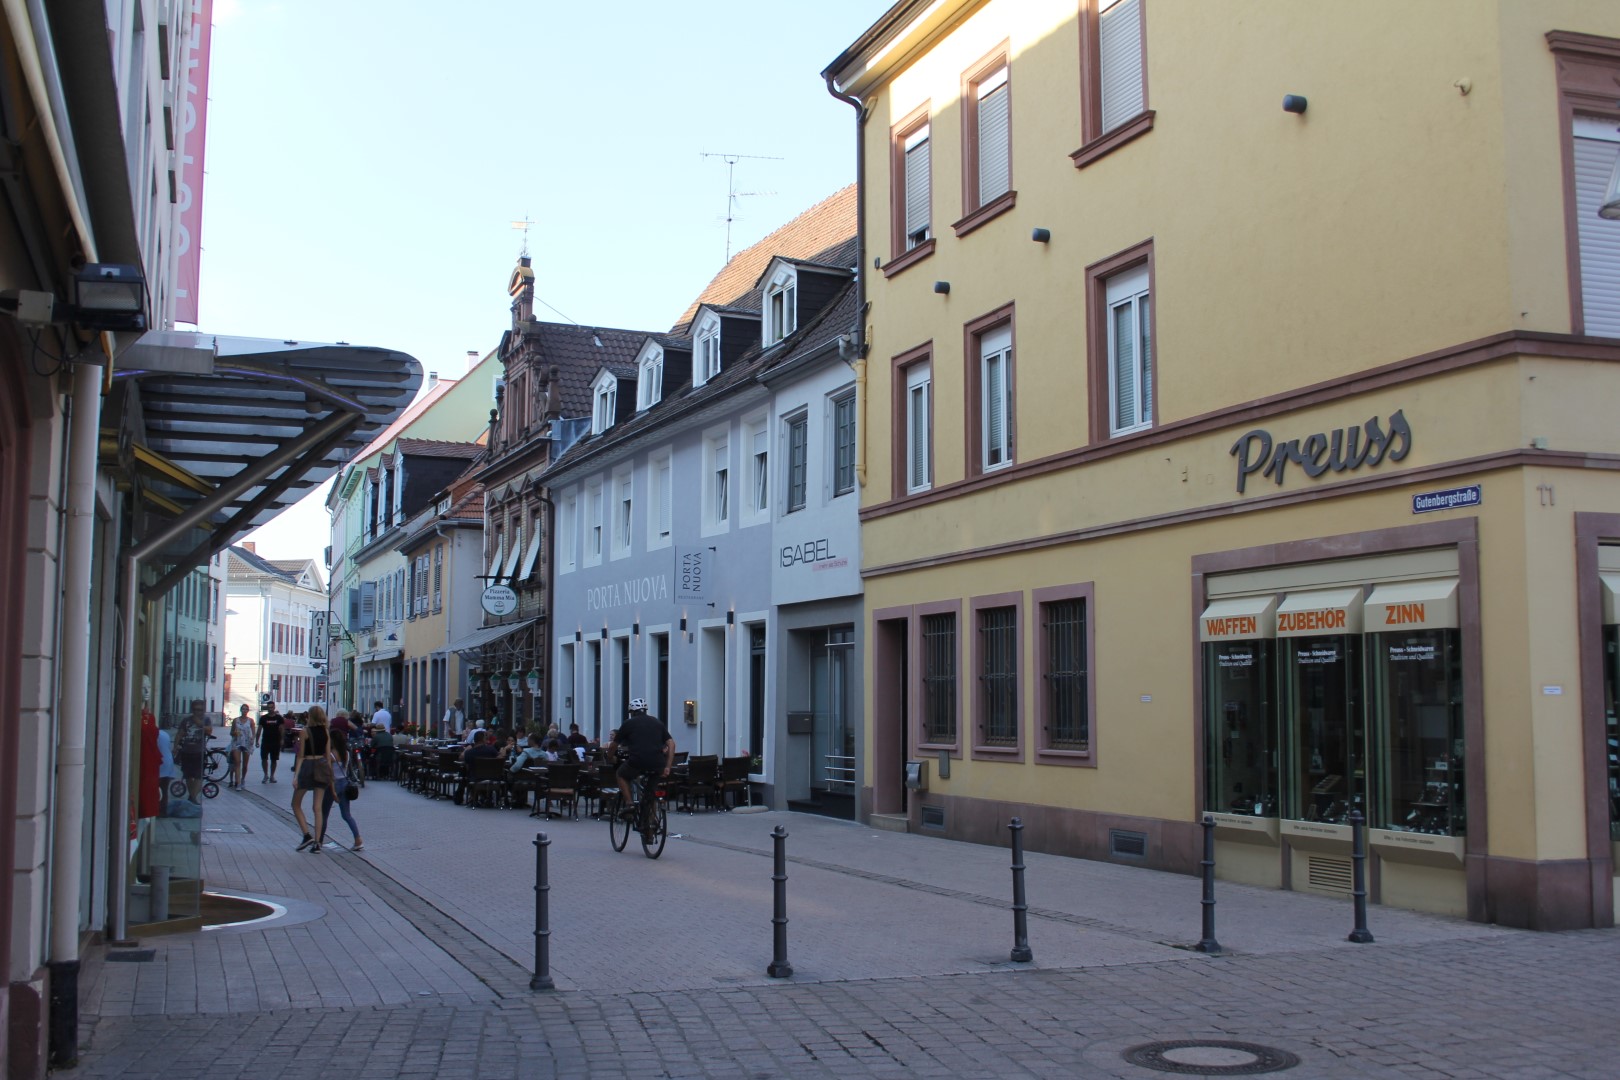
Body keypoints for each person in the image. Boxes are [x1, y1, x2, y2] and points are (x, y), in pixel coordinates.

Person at [613, 698, 675, 816]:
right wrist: (668, 766)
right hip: (658, 764)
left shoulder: (628, 723)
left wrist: (610, 757)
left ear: (632, 712)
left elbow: (614, 745)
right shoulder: (657, 722)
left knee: (621, 774)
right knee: (650, 793)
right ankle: (651, 826)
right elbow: (671, 744)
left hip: (637, 762)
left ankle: (629, 803)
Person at [291, 705, 335, 853]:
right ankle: (318, 843)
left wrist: (296, 775)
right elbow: (328, 756)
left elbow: (301, 755)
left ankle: (306, 834)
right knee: (317, 808)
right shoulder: (326, 732)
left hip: (308, 766)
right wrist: (330, 776)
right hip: (322, 766)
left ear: (310, 716)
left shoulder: (305, 731)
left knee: (295, 803)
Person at [317, 729, 363, 852]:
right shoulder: (346, 753)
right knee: (347, 815)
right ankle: (358, 839)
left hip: (333, 784)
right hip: (344, 783)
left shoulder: (330, 755)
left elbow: (330, 775)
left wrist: (332, 791)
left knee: (323, 814)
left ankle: (319, 841)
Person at [176, 698, 213, 802]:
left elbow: (209, 731)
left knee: (198, 776)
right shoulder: (186, 720)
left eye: (200, 710)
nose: (197, 712)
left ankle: (193, 797)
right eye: (195, 709)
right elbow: (180, 733)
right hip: (186, 751)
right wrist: (175, 747)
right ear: (192, 710)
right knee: (188, 775)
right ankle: (192, 796)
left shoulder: (206, 719)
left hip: (199, 751)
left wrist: (200, 723)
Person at [455, 730, 500, 804]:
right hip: (492, 777)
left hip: (475, 778)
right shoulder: (491, 750)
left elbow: (461, 758)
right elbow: (500, 758)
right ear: (483, 739)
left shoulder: (470, 753)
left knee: (464, 771)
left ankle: (472, 796)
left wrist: (466, 749)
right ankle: (489, 797)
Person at [257, 701, 286, 783]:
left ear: (274, 707)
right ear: (267, 708)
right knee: (264, 759)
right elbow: (259, 730)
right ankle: (265, 775)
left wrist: (282, 739)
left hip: (275, 742)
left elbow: (282, 729)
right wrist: (256, 741)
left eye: (271, 707)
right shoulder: (263, 718)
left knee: (274, 760)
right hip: (265, 741)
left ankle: (272, 776)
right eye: (269, 707)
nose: (270, 709)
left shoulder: (279, 718)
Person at [227, 704, 254, 789]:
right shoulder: (236, 720)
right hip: (237, 742)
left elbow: (253, 733)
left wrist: (252, 739)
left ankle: (243, 779)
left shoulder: (251, 720)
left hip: (246, 743)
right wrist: (234, 733)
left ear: (248, 711)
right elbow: (231, 732)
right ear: (241, 710)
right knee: (237, 762)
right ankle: (238, 782)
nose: (244, 711)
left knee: (245, 765)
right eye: (243, 709)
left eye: (246, 709)